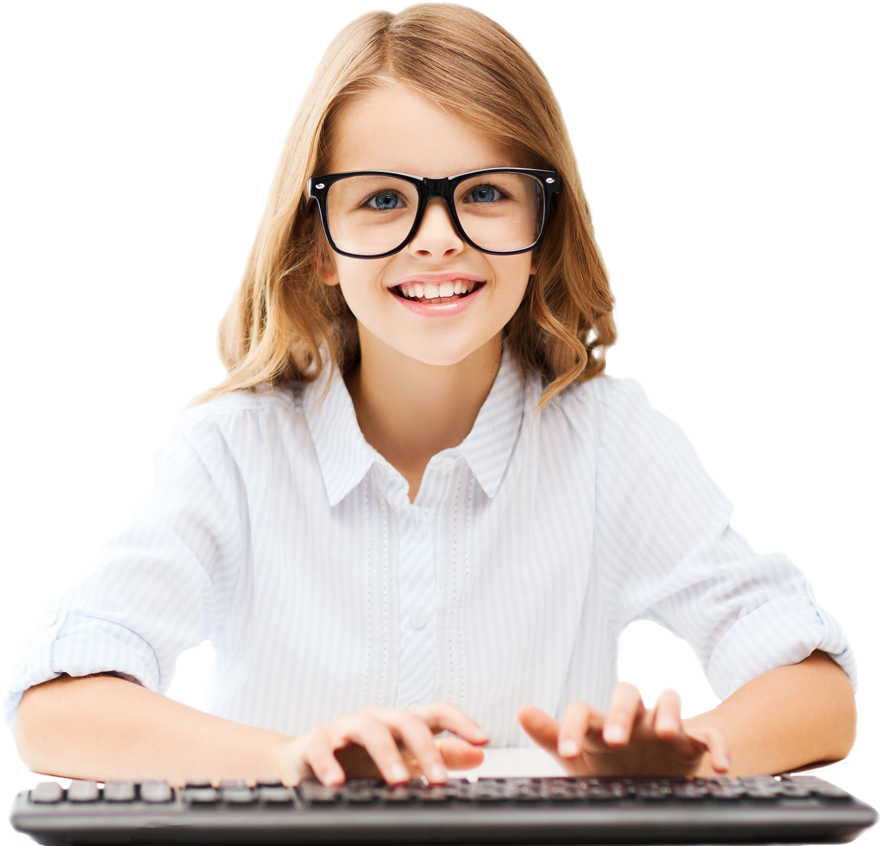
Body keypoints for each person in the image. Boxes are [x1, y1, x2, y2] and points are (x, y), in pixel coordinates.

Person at [6, 4, 857, 789]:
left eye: (484, 192)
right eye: (382, 199)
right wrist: (286, 760)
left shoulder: (608, 439)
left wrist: (698, 760)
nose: (437, 238)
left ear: (543, 223)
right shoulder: (235, 449)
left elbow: (817, 693)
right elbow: (56, 706)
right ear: (318, 243)